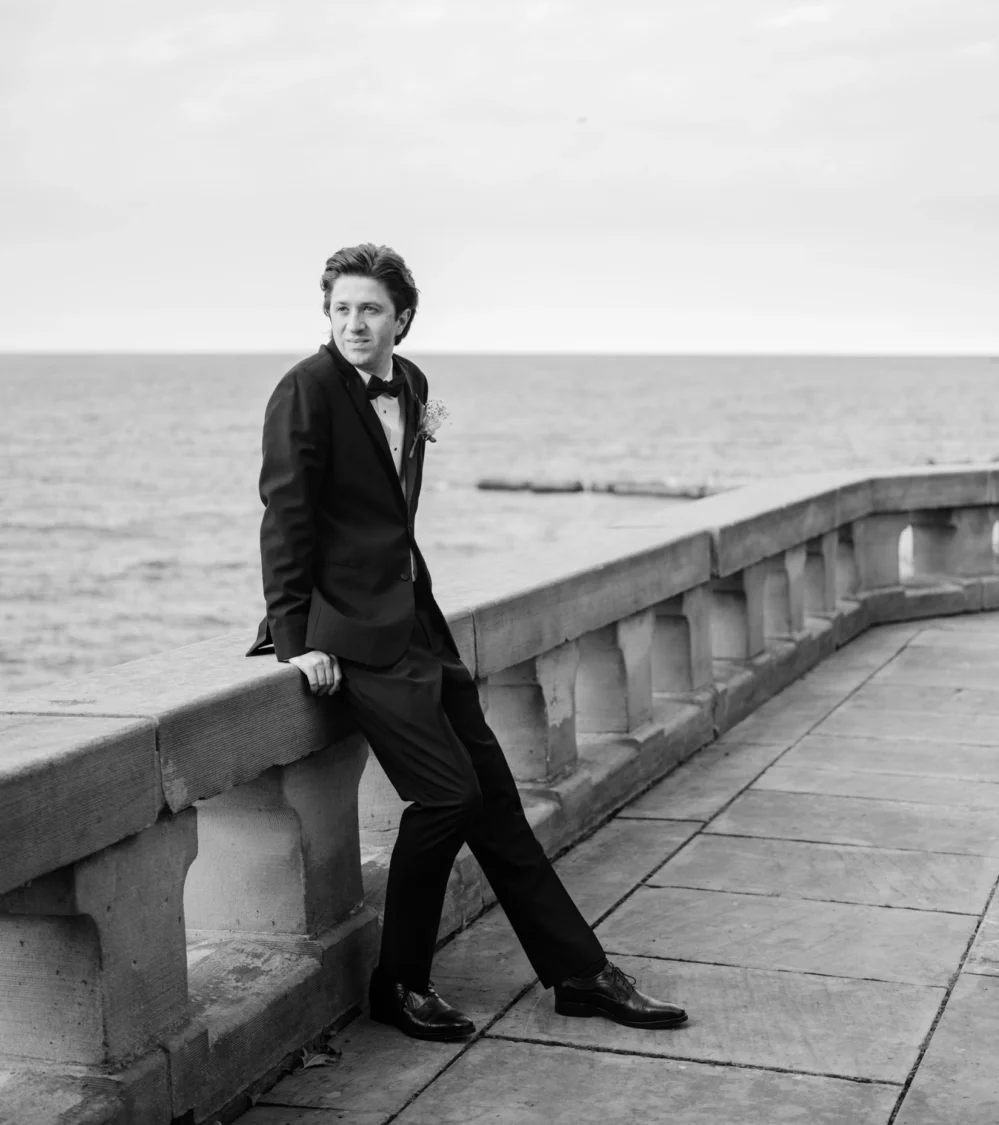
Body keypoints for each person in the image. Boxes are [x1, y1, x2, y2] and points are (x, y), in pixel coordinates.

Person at [248, 243, 687, 1042]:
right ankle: (401, 981)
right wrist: (293, 639)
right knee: (447, 794)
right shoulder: (303, 391)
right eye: (342, 307)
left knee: (495, 798)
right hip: (348, 634)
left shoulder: (411, 384)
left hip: (418, 619)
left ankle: (579, 972)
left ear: (401, 318)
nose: (354, 322)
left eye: (370, 308)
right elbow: (286, 516)